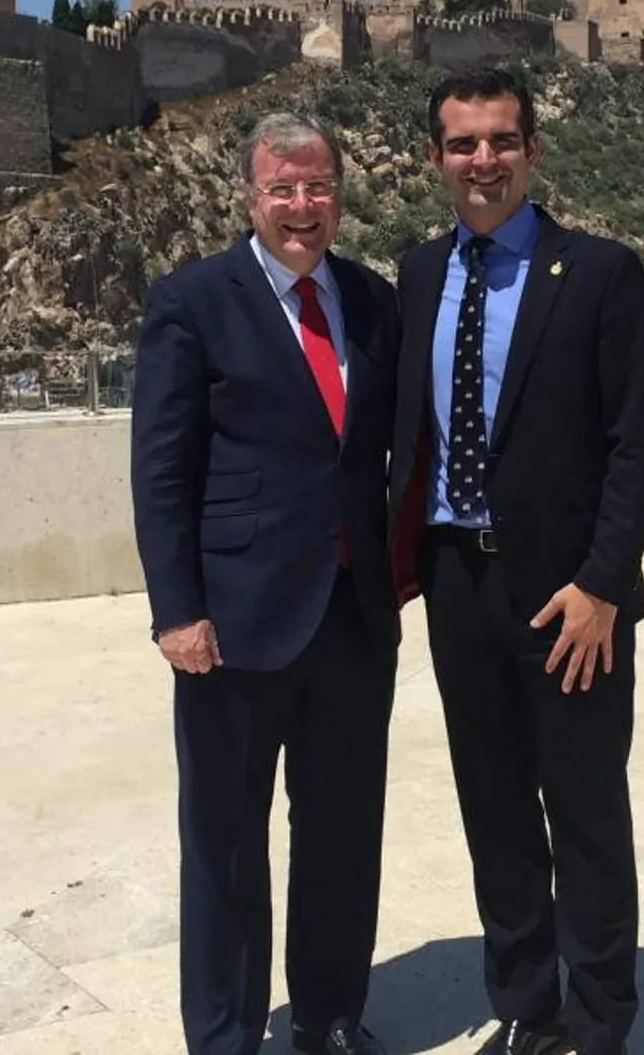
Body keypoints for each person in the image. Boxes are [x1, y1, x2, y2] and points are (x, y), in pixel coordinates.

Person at [387, 68, 644, 1055]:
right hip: (458, 580)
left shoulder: (597, 272)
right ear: (436, 158)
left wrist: (601, 583)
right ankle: (525, 1008)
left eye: (501, 140)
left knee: (584, 808)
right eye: (462, 143)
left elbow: (636, 440)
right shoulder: (420, 275)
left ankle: (595, 1023)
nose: (482, 160)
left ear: (532, 151)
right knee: (495, 809)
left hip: (568, 593)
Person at [130, 112, 400, 1055]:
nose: (302, 205)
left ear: (339, 195)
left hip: (353, 619)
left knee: (341, 835)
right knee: (227, 844)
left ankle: (329, 1016)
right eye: (282, 188)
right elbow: (161, 470)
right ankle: (225, 1033)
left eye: (318, 186)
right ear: (250, 197)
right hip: (234, 623)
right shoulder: (192, 300)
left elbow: (390, 454)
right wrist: (177, 612)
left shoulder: (372, 301)